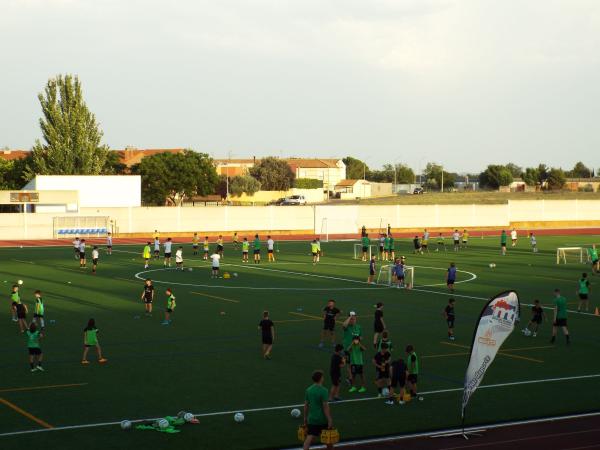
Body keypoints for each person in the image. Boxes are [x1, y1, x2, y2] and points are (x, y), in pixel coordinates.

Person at [303, 370, 333, 450]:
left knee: (309, 438)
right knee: (328, 439)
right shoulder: (324, 390)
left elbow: (306, 406)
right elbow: (325, 407)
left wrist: (305, 418)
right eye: (322, 376)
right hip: (322, 419)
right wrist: (329, 419)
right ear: (320, 379)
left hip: (312, 419)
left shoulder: (308, 390)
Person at [342, 312, 361, 383]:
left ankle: (351, 376)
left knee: (356, 364)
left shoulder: (358, 327)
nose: (353, 320)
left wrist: (358, 340)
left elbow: (360, 336)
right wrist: (349, 317)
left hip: (356, 348)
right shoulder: (347, 327)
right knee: (349, 364)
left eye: (354, 319)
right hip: (348, 348)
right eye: (352, 319)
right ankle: (350, 378)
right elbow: (343, 325)